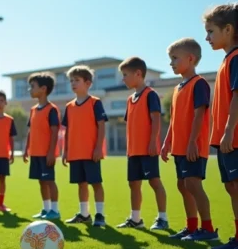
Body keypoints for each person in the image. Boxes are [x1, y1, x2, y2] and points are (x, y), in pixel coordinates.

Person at [161, 38, 218, 241]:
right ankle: (191, 227)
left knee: (193, 184)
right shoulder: (177, 89)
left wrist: (193, 141)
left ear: (191, 58)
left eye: (175, 58)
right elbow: (174, 120)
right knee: (182, 185)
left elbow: (199, 114)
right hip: (179, 147)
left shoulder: (199, 84)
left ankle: (209, 229)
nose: (171, 63)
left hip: (193, 146)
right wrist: (167, 142)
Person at [116, 57, 169, 230]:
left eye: (125, 75)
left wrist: (154, 142)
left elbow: (155, 119)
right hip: (133, 151)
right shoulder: (130, 99)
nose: (123, 79)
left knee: (154, 181)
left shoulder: (150, 95)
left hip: (148, 149)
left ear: (138, 74)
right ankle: (136, 219)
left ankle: (162, 218)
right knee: (134, 184)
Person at [203, 4, 238, 249]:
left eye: (211, 31)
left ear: (228, 29)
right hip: (225, 140)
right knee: (231, 187)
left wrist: (228, 131)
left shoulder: (236, 59)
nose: (207, 38)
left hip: (233, 138)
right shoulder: (226, 60)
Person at [61, 65, 107, 227]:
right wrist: (65, 151)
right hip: (74, 153)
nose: (73, 83)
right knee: (81, 184)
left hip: (91, 152)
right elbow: (67, 131)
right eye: (71, 80)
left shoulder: (95, 103)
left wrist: (98, 148)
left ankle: (100, 215)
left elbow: (101, 126)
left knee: (96, 183)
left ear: (87, 83)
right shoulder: (69, 106)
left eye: (77, 80)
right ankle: (84, 214)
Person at [22, 72, 61, 220]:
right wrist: (27, 150)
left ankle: (55, 211)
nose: (29, 89)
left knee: (49, 181)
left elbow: (55, 131)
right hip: (35, 153)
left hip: (46, 153)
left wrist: (51, 152)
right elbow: (31, 131)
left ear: (43, 89)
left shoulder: (51, 109)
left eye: (32, 86)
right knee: (41, 181)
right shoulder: (33, 110)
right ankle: (46, 209)